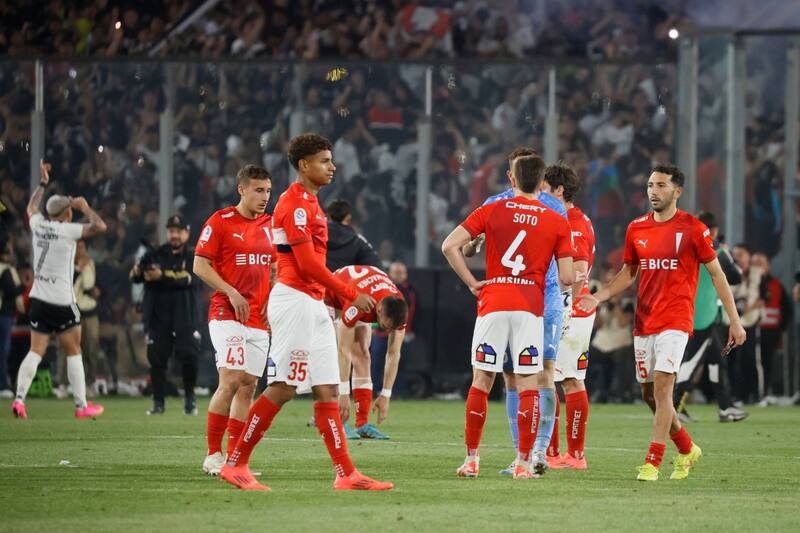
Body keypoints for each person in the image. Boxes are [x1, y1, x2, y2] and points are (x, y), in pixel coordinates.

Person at [221, 133, 392, 491]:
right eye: (324, 161)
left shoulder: (312, 205)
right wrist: (350, 293)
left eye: (331, 160)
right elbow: (308, 265)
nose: (332, 166)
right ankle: (235, 462)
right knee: (283, 386)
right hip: (296, 300)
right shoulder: (295, 204)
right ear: (304, 165)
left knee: (328, 389)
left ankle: (346, 473)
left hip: (313, 304)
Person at [577, 164, 746, 481]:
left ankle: (653, 462)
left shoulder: (694, 229)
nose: (653, 191)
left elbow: (718, 275)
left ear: (677, 191)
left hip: (677, 319)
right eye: (650, 185)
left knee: (665, 387)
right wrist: (598, 297)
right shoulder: (636, 228)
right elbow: (628, 273)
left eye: (661, 185)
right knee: (649, 394)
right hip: (645, 320)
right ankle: (686, 447)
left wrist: (735, 320)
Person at [442, 154, 574, 479]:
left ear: (511, 179)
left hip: (494, 301)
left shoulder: (492, 208)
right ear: (541, 183)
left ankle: (472, 460)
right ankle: (524, 463)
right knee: (530, 382)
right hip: (531, 306)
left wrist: (473, 282)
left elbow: (450, 246)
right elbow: (569, 277)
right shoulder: (556, 219)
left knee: (483, 379)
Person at [193, 164, 274, 476]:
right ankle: (213, 455)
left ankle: (236, 459)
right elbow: (200, 265)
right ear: (242, 189)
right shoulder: (221, 220)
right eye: (258, 190)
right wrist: (230, 291)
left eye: (267, 190)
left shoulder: (270, 225)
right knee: (230, 380)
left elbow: (279, 268)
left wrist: (274, 297)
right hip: (226, 314)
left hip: (258, 319)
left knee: (248, 387)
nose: (264, 196)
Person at [12, 160, 107, 419]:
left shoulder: (38, 224)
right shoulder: (69, 230)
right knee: (73, 349)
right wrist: (86, 207)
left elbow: (31, 207)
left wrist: (42, 183)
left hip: (39, 299)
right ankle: (81, 405)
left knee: (36, 350)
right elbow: (100, 227)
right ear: (67, 213)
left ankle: (19, 399)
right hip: (63, 301)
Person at [673, 212, 748, 423]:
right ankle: (675, 407)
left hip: (692, 311)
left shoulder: (684, 247)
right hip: (702, 315)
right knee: (691, 361)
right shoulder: (713, 249)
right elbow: (736, 276)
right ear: (712, 230)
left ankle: (725, 407)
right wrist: (726, 252)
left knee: (717, 359)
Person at [545, 163, 595, 469]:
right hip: (565, 308)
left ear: (559, 190)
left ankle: (572, 455)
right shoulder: (564, 219)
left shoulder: (574, 223)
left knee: (569, 380)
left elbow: (578, 272)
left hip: (572, 310)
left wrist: (565, 309)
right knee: (553, 379)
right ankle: (554, 453)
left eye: (544, 189)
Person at [131, 214, 203, 416]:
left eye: (179, 231)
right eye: (171, 231)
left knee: (189, 357)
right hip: (158, 316)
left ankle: (190, 399)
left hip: (185, 316)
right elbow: (135, 277)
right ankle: (158, 403)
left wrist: (161, 276)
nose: (175, 235)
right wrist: (139, 270)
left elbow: (189, 279)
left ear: (187, 233)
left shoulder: (193, 256)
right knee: (157, 360)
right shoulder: (155, 254)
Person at [328, 264, 408, 441]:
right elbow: (343, 351)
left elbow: (394, 354)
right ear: (378, 311)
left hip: (363, 289)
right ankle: (338, 420)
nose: (388, 331)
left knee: (363, 355)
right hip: (329, 298)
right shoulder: (359, 304)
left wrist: (386, 394)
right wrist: (343, 393)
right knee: (336, 353)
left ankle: (362, 424)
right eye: (386, 326)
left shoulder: (397, 308)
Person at [57, 240, 101, 399]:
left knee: (91, 347)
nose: (80, 251)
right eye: (77, 247)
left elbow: (92, 286)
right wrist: (77, 269)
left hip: (89, 311)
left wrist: (96, 291)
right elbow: (66, 286)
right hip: (68, 310)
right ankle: (63, 385)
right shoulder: (64, 264)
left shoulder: (91, 264)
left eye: (82, 247)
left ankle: (90, 384)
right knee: (65, 348)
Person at [725, 244, 763, 404]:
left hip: (750, 322)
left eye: (741, 255)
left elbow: (765, 297)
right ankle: (735, 395)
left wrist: (751, 306)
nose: (738, 258)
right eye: (735, 255)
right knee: (731, 360)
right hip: (732, 323)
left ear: (749, 256)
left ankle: (756, 394)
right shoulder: (730, 273)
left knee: (750, 359)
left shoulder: (758, 275)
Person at [371, 260, 416, 394]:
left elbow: (414, 312)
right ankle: (375, 391)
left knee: (399, 363)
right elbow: (374, 308)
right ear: (390, 274)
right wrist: (373, 327)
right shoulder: (381, 288)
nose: (400, 275)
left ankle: (396, 392)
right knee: (377, 363)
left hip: (401, 334)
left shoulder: (411, 292)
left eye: (402, 272)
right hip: (380, 334)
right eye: (396, 272)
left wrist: (410, 331)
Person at [752, 252, 792, 401]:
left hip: (771, 332)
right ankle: (750, 394)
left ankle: (763, 393)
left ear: (767, 265)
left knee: (766, 363)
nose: (757, 266)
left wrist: (780, 330)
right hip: (751, 330)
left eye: (761, 263)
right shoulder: (749, 283)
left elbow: (787, 310)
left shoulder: (776, 285)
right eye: (755, 263)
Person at [325, 199, 382, 272]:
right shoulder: (358, 241)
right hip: (346, 282)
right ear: (348, 217)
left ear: (327, 216)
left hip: (318, 281)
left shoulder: (314, 236)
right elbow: (377, 270)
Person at [0, 242, 24, 397]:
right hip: (4, 315)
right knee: (3, 351)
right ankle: (2, 385)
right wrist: (24, 285)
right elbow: (10, 292)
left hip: (5, 314)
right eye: (8, 253)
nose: (10, 256)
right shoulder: (6, 270)